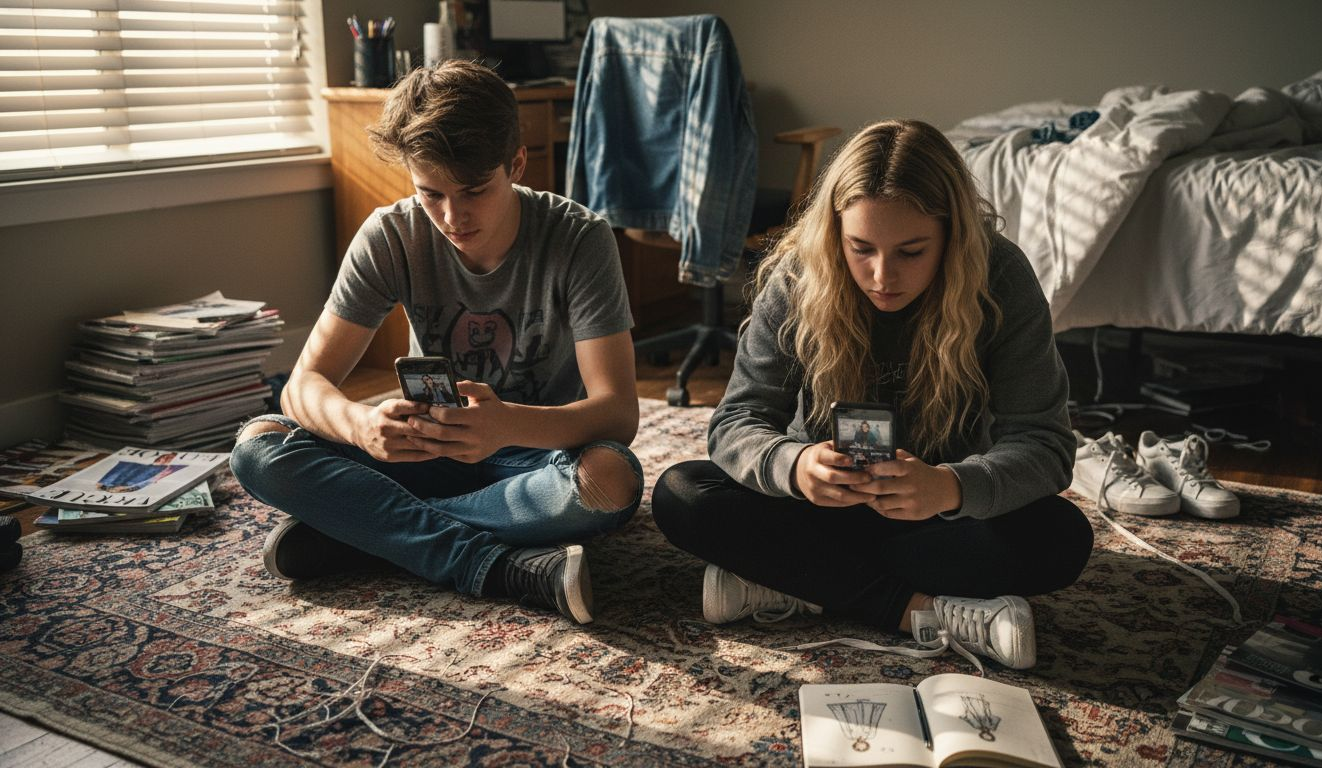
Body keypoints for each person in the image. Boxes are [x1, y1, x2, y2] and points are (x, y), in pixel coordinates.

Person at [651, 120, 1093, 669]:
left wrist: (950, 487)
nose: (882, 275)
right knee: (681, 493)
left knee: (1061, 538)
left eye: (911, 251)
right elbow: (737, 419)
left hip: (938, 519)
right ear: (835, 232)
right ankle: (919, 612)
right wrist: (794, 466)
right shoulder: (799, 274)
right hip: (819, 509)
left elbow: (1045, 445)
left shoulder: (1000, 277)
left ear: (953, 235)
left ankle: (795, 584)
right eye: (860, 248)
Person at [229, 61, 643, 625]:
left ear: (516, 163)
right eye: (431, 194)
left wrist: (505, 425)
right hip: (424, 450)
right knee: (259, 447)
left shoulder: (579, 238)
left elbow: (617, 413)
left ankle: (364, 531)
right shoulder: (391, 235)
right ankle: (498, 566)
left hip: (533, 457)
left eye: (474, 190)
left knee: (610, 479)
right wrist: (358, 426)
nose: (453, 216)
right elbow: (304, 385)